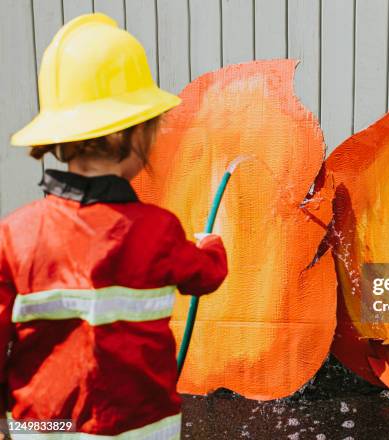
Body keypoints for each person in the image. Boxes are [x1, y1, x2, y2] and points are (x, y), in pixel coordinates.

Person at [0, 13, 227, 439]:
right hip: (140, 427)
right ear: (136, 137)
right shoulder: (158, 230)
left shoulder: (15, 236)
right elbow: (205, 276)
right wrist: (212, 245)